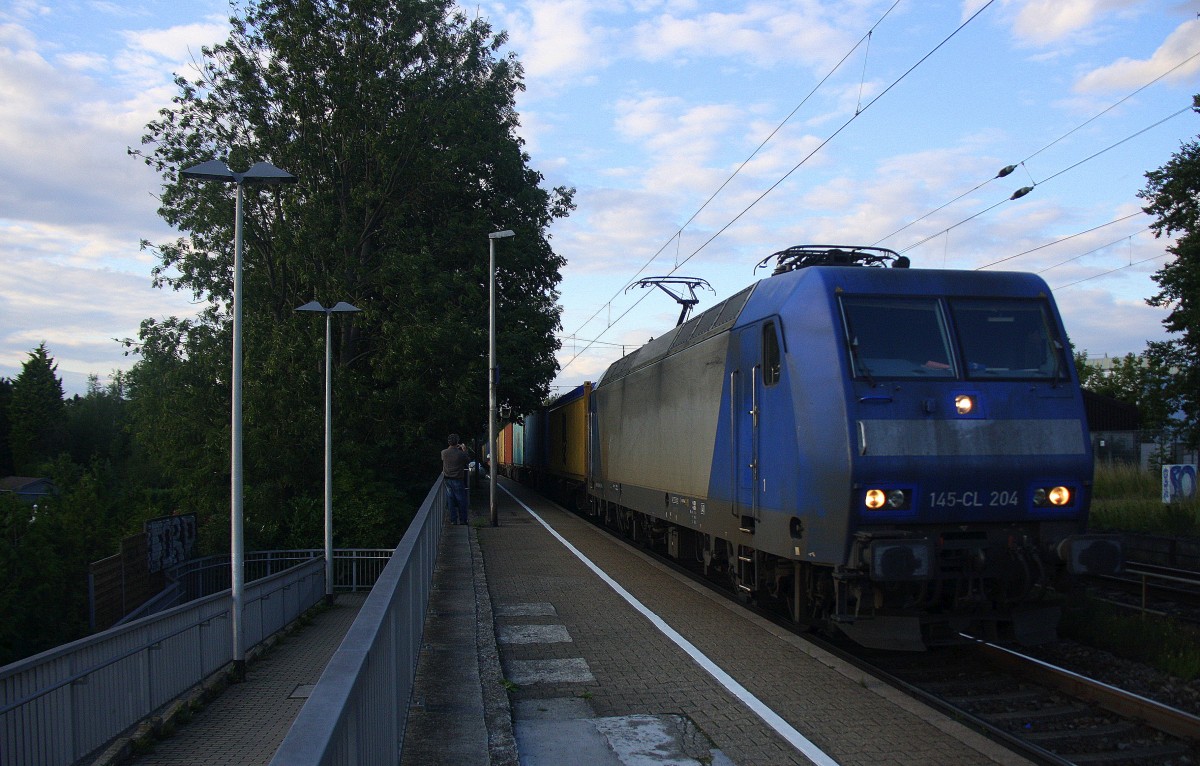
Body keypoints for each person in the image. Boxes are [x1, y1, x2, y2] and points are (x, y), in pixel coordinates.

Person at [441, 433, 471, 524]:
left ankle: (453, 520)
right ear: (457, 442)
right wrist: (464, 450)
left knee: (450, 499)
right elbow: (468, 460)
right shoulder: (460, 454)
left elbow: (445, 458)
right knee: (461, 500)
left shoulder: (443, 452)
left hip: (447, 479)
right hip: (458, 479)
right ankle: (463, 520)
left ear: (448, 442)